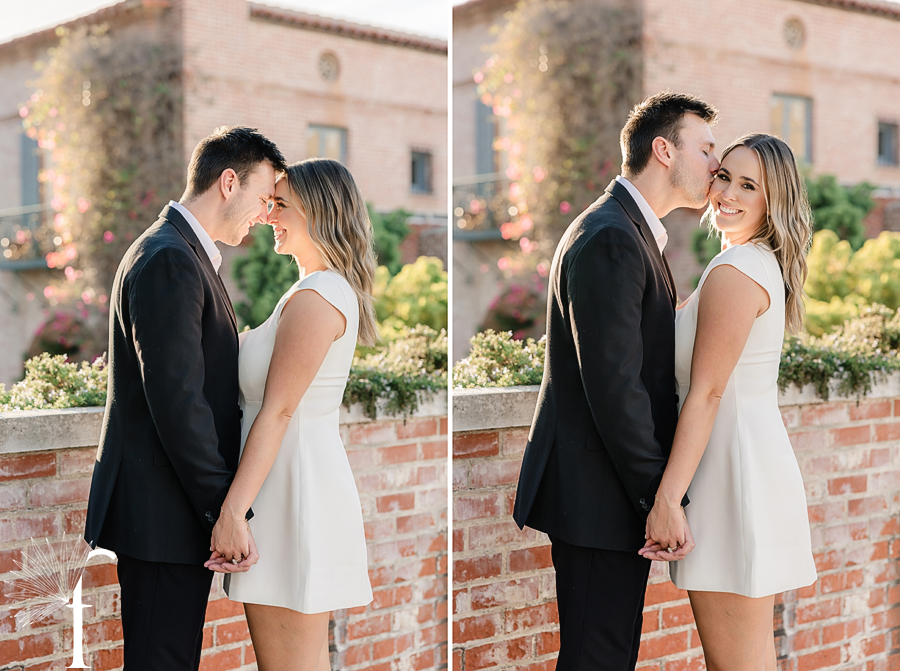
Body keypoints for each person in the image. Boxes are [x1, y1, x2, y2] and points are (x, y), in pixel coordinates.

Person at [512, 91, 720, 670]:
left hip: (607, 498)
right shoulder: (610, 236)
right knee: (595, 659)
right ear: (663, 150)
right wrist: (662, 496)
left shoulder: (628, 230)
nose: (715, 165)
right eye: (705, 149)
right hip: (597, 499)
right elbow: (616, 387)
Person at [83, 126, 287, 670]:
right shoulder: (170, 258)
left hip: (166, 513)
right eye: (263, 198)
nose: (265, 215)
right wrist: (225, 509)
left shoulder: (181, 251)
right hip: (161, 515)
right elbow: (178, 401)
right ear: (228, 182)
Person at [640, 133, 817, 671]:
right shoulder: (750, 263)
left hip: (731, 480)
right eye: (724, 176)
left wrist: (668, 500)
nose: (727, 193)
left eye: (749, 186)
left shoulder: (736, 271)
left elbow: (708, 392)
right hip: (745, 469)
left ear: (773, 202)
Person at [206, 158, 375, 671]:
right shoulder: (306, 293)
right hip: (283, 489)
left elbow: (277, 412)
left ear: (319, 213)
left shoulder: (317, 298)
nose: (267, 213)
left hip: (292, 497)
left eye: (281, 204)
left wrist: (232, 513)